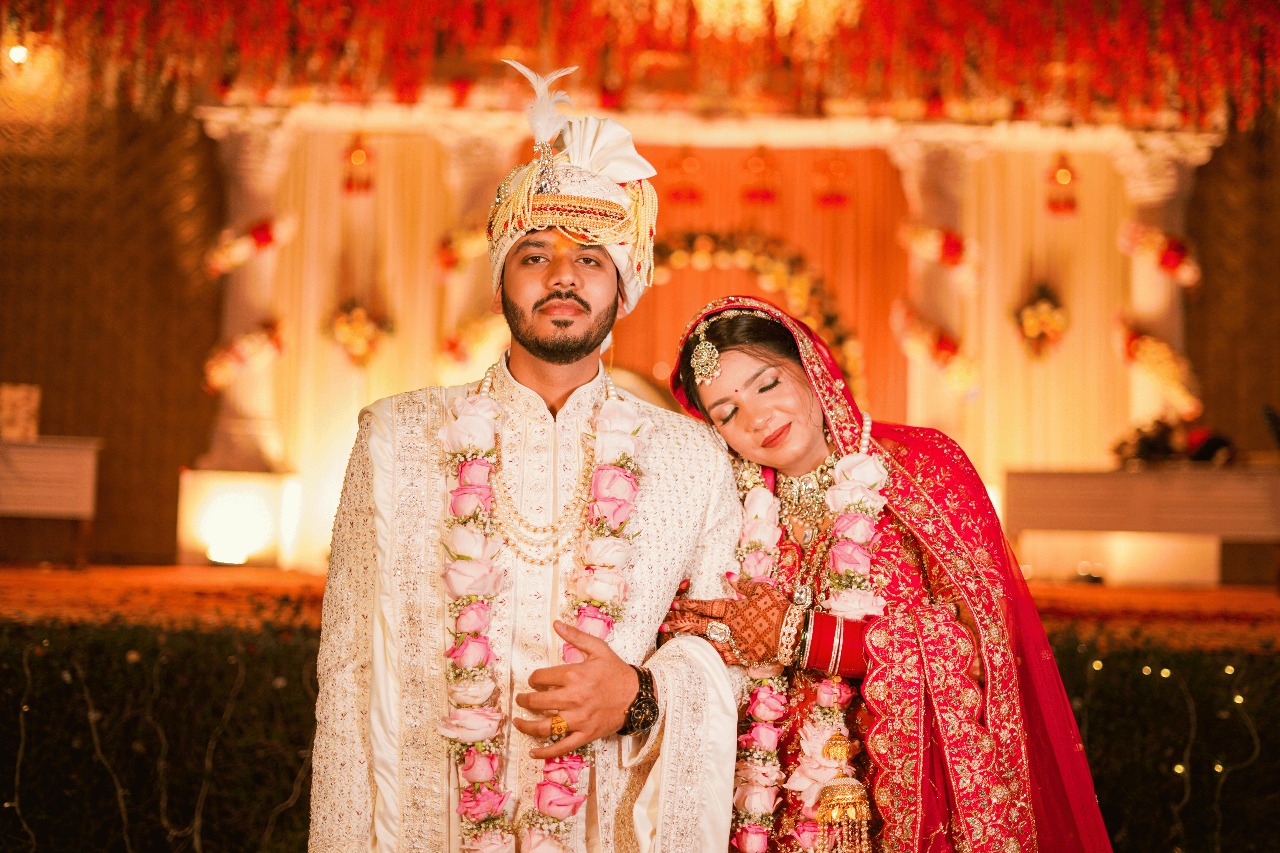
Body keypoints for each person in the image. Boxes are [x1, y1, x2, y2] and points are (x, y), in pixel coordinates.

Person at [308, 64, 740, 853]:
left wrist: (640, 697)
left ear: (623, 284)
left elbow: (730, 658)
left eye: (591, 258)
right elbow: (344, 678)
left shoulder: (694, 459)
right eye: (535, 254)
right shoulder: (395, 437)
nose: (564, 275)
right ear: (502, 274)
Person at [662, 296, 1113, 853]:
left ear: (810, 367)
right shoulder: (727, 515)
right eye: (726, 412)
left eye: (766, 384)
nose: (755, 418)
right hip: (764, 816)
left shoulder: (923, 467)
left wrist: (803, 637)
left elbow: (980, 649)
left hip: (910, 809)